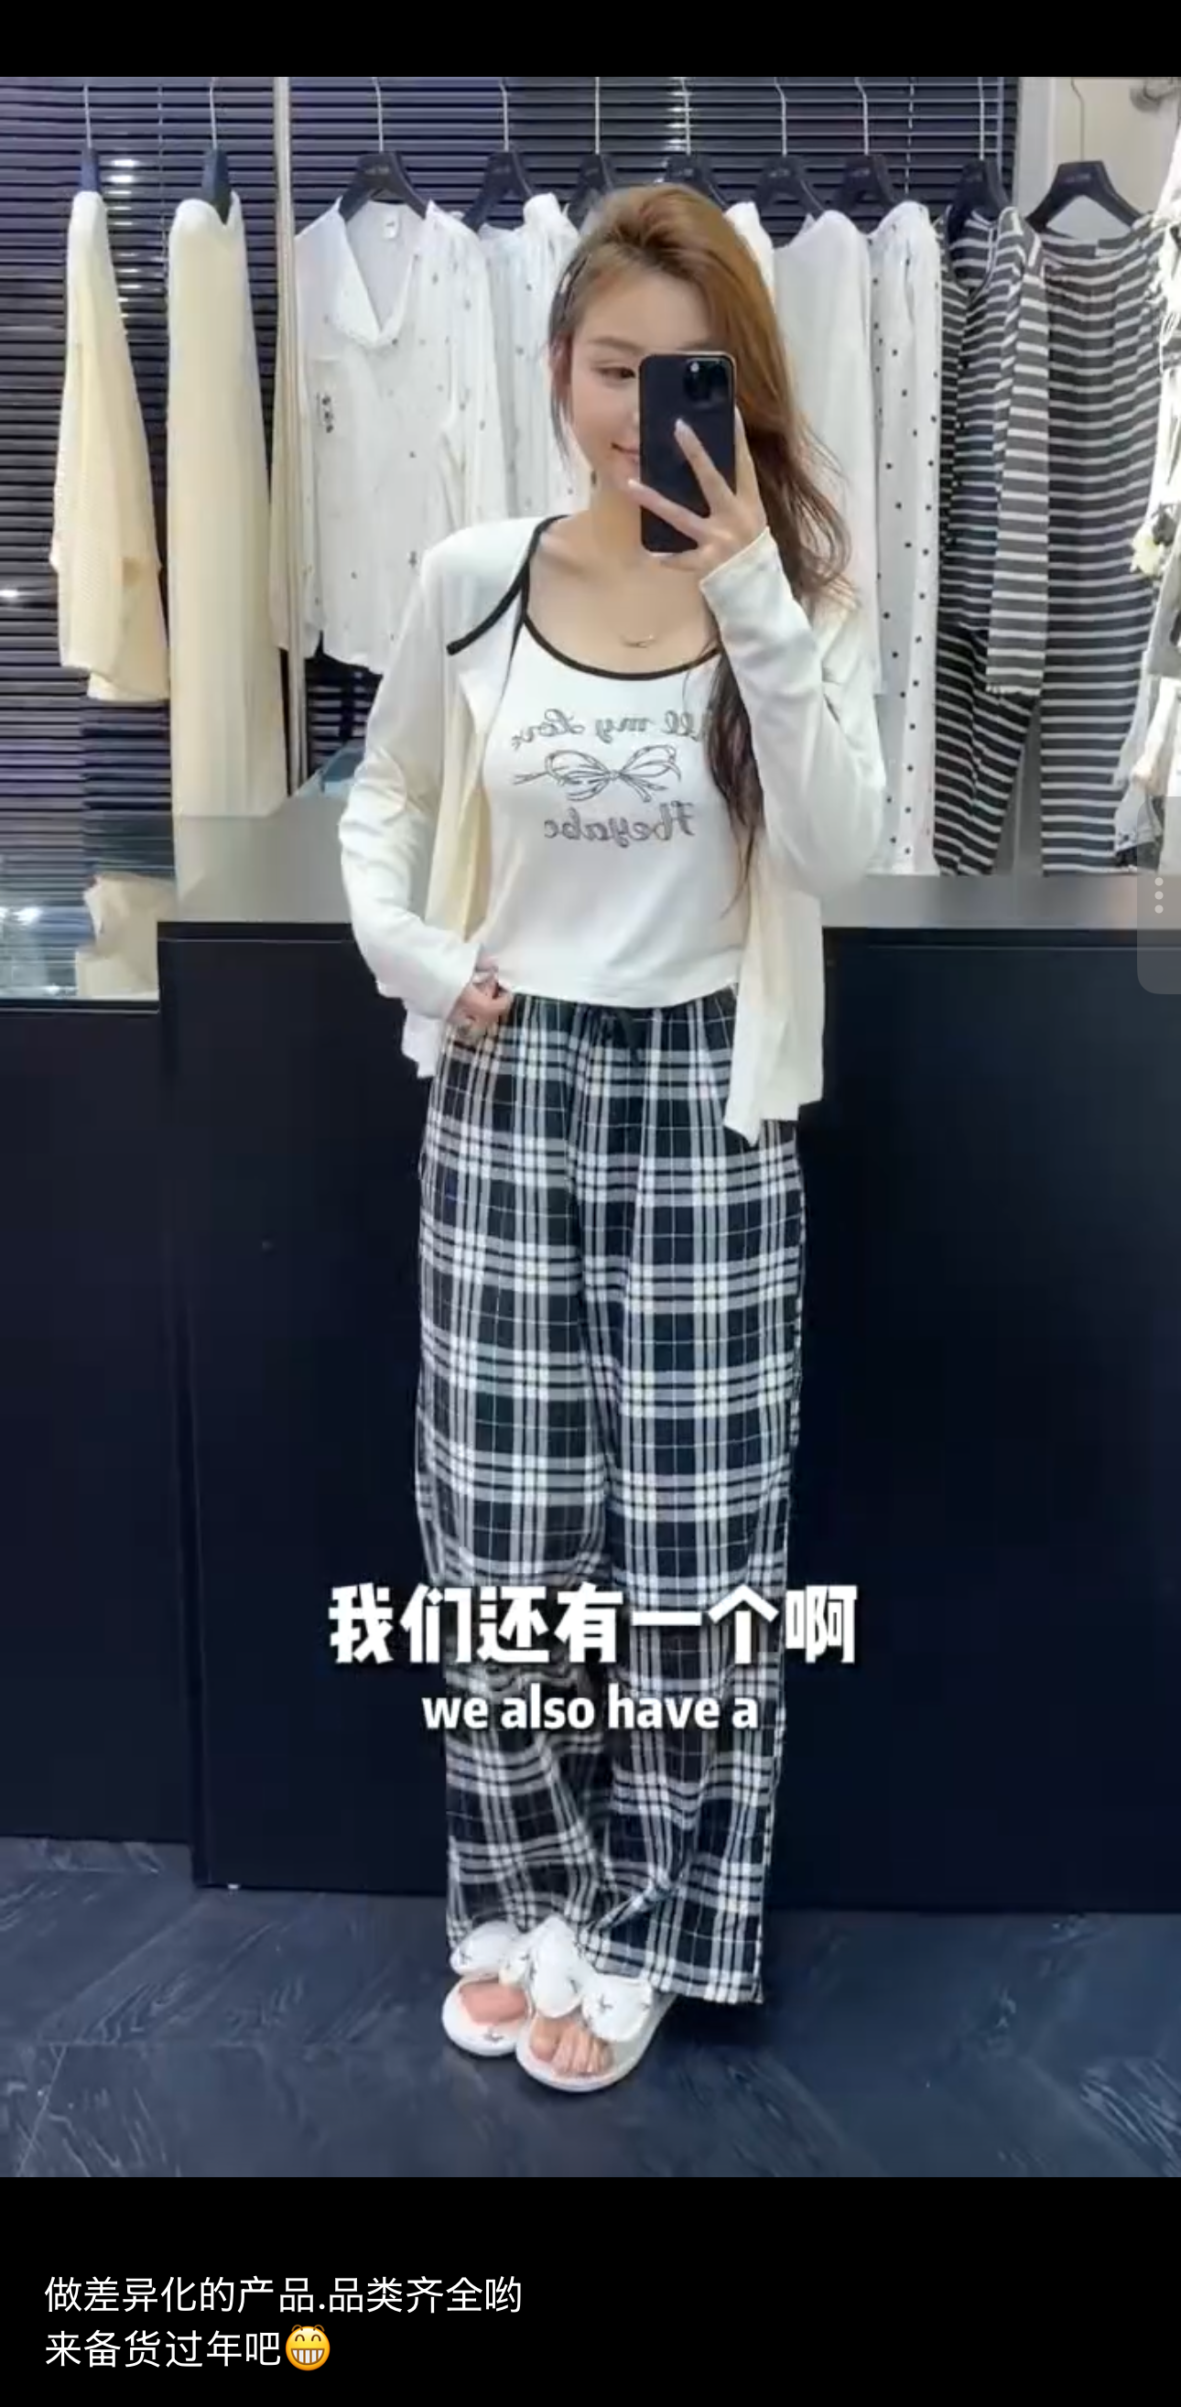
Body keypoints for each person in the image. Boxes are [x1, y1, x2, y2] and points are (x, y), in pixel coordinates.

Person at [339, 183, 885, 2094]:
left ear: (744, 385)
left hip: (709, 1098)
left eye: (687, 371)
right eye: (612, 367)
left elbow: (841, 853)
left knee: (693, 1541)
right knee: (498, 1521)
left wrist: (747, 593)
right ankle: (523, 1885)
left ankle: (651, 1915)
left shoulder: (796, 595)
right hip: (507, 1084)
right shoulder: (472, 580)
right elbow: (386, 801)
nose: (643, 406)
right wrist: (423, 961)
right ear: (559, 369)